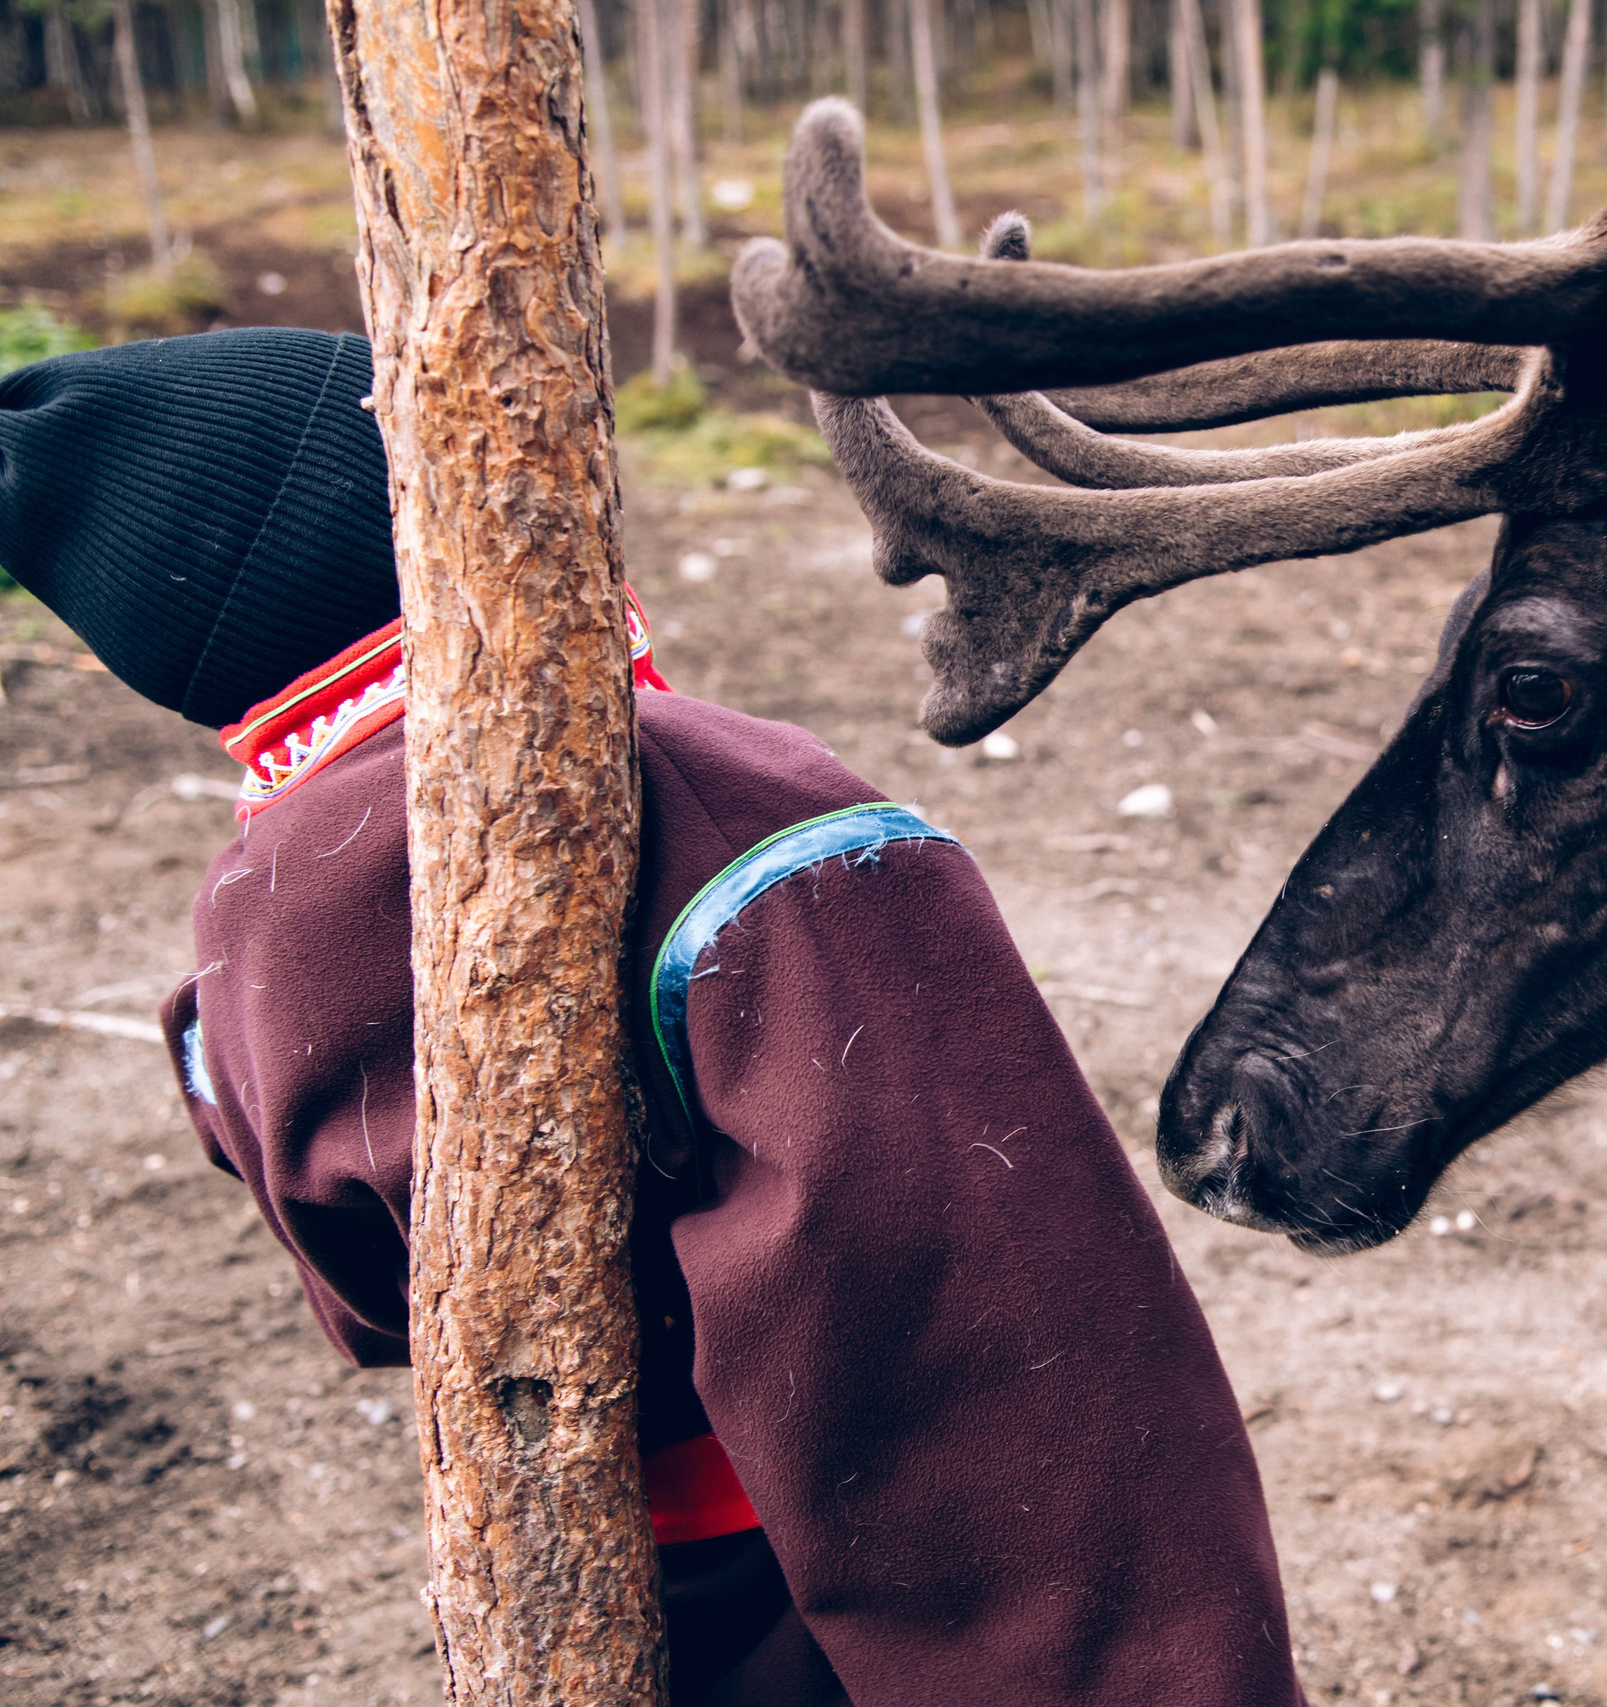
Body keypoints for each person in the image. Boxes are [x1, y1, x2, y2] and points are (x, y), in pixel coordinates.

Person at [0, 327, 1306, 1707]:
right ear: (423, 500)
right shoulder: (718, 803)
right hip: (835, 1620)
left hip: (591, 1584)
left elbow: (368, 1306)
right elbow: (998, 1365)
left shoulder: (251, 916)